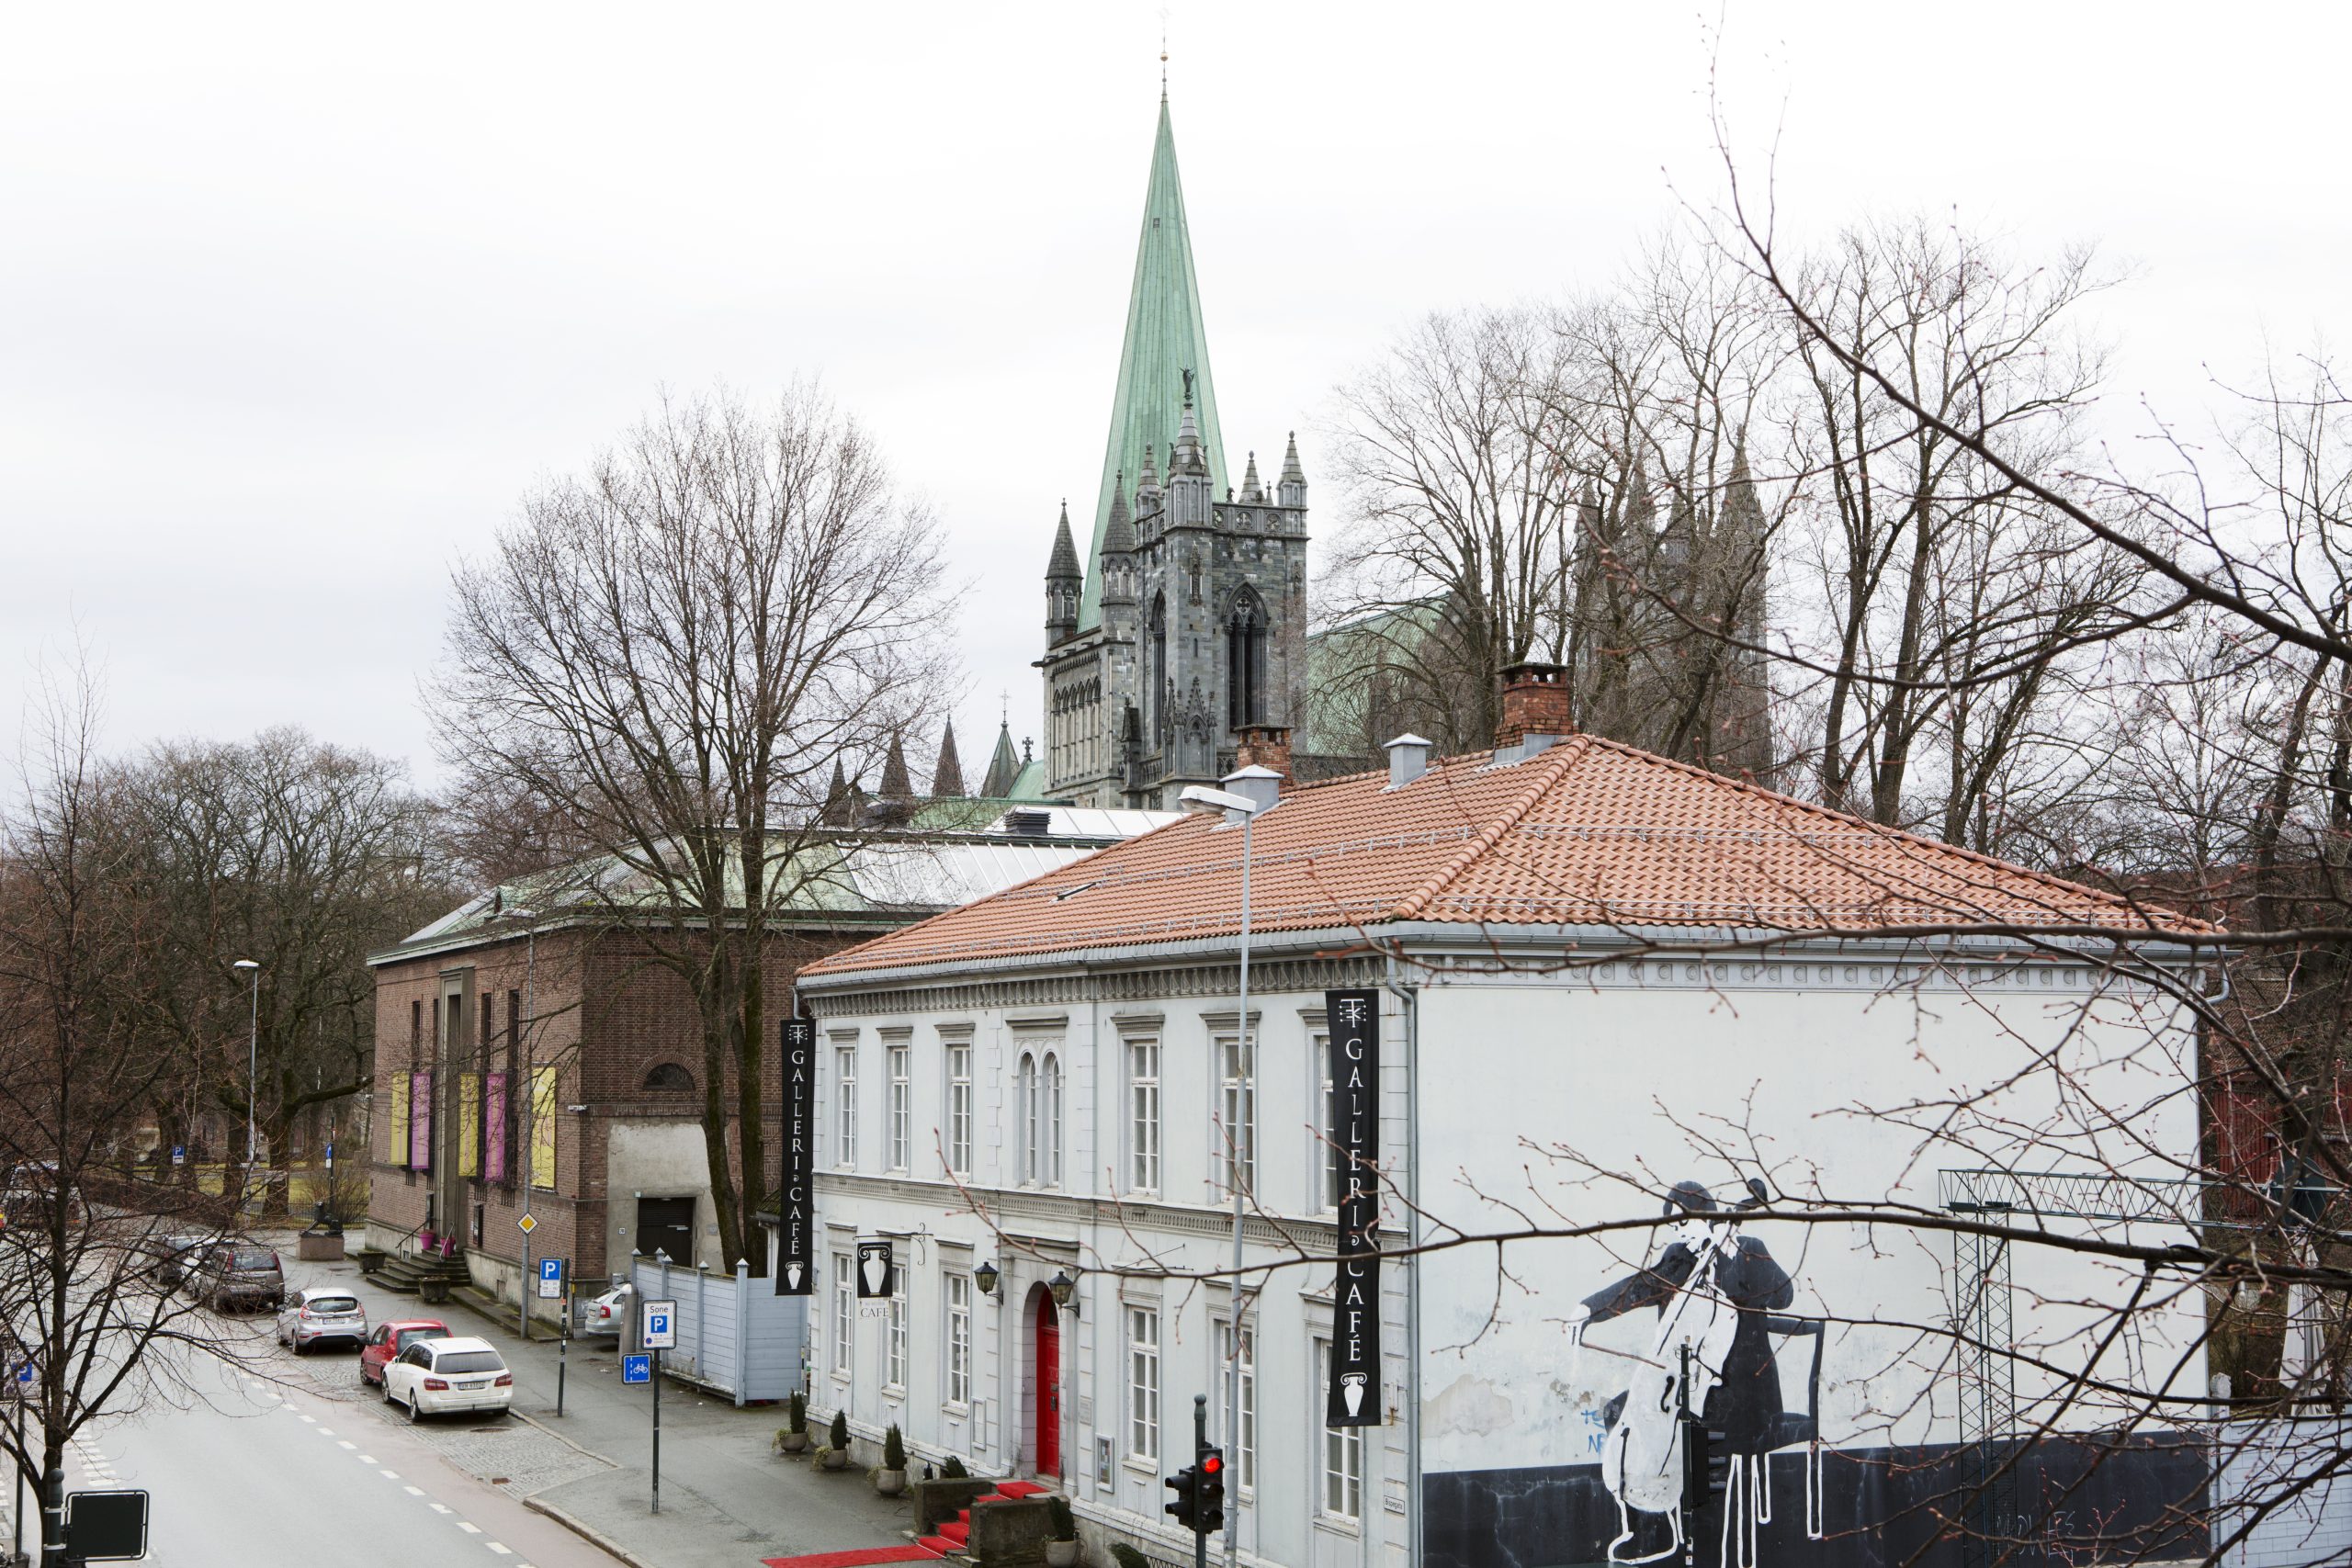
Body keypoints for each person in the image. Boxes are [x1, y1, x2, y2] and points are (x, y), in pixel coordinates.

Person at [1566, 1180, 1795, 1565]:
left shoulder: (1747, 1249)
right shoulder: (1680, 1258)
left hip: (1742, 1391)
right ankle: (1649, 1529)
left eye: (1684, 1224)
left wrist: (1732, 1259)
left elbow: (1783, 1296)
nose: (1679, 1234)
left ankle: (1705, 1546)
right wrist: (1589, 1309)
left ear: (1705, 1215)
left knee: (1700, 1437)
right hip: (1683, 1386)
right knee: (1618, 1414)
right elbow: (1640, 1287)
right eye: (1674, 1228)